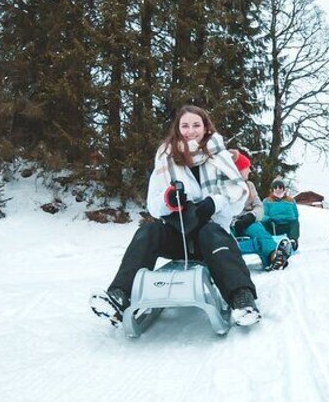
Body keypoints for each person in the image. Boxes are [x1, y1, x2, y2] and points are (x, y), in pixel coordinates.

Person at [91, 105, 262, 327]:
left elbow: (239, 195)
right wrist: (168, 200)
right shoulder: (165, 157)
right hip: (178, 234)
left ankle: (242, 299)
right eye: (185, 125)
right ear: (178, 129)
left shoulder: (220, 155)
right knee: (148, 231)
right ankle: (119, 294)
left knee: (212, 232)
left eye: (196, 125)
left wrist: (215, 202)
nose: (191, 130)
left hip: (210, 238)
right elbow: (153, 204)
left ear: (206, 127)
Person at [230, 151, 291, 270]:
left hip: (248, 220)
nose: (250, 170)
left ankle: (274, 257)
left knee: (259, 231)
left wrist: (252, 216)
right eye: (246, 167)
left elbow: (259, 206)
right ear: (238, 169)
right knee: (224, 238)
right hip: (230, 224)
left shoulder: (250, 186)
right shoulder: (224, 187)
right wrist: (234, 222)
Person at [262, 178, 301, 251]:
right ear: (272, 189)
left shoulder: (290, 200)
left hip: (288, 224)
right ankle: (267, 244)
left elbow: (296, 214)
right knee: (263, 223)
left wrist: (292, 219)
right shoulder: (267, 201)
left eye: (280, 187)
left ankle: (293, 241)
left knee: (295, 222)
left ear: (283, 189)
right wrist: (268, 219)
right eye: (275, 187)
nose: (278, 189)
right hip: (274, 225)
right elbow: (263, 214)